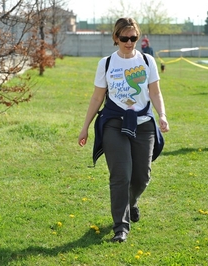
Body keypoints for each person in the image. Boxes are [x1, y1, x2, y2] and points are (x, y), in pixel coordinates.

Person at [78, 17, 169, 243]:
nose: (129, 42)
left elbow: (155, 93)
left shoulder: (147, 61)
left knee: (141, 176)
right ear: (116, 38)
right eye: (125, 38)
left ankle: (131, 201)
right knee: (120, 175)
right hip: (114, 123)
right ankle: (121, 227)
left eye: (133, 38)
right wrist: (85, 126)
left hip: (143, 122)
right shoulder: (106, 63)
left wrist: (163, 116)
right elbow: (98, 96)